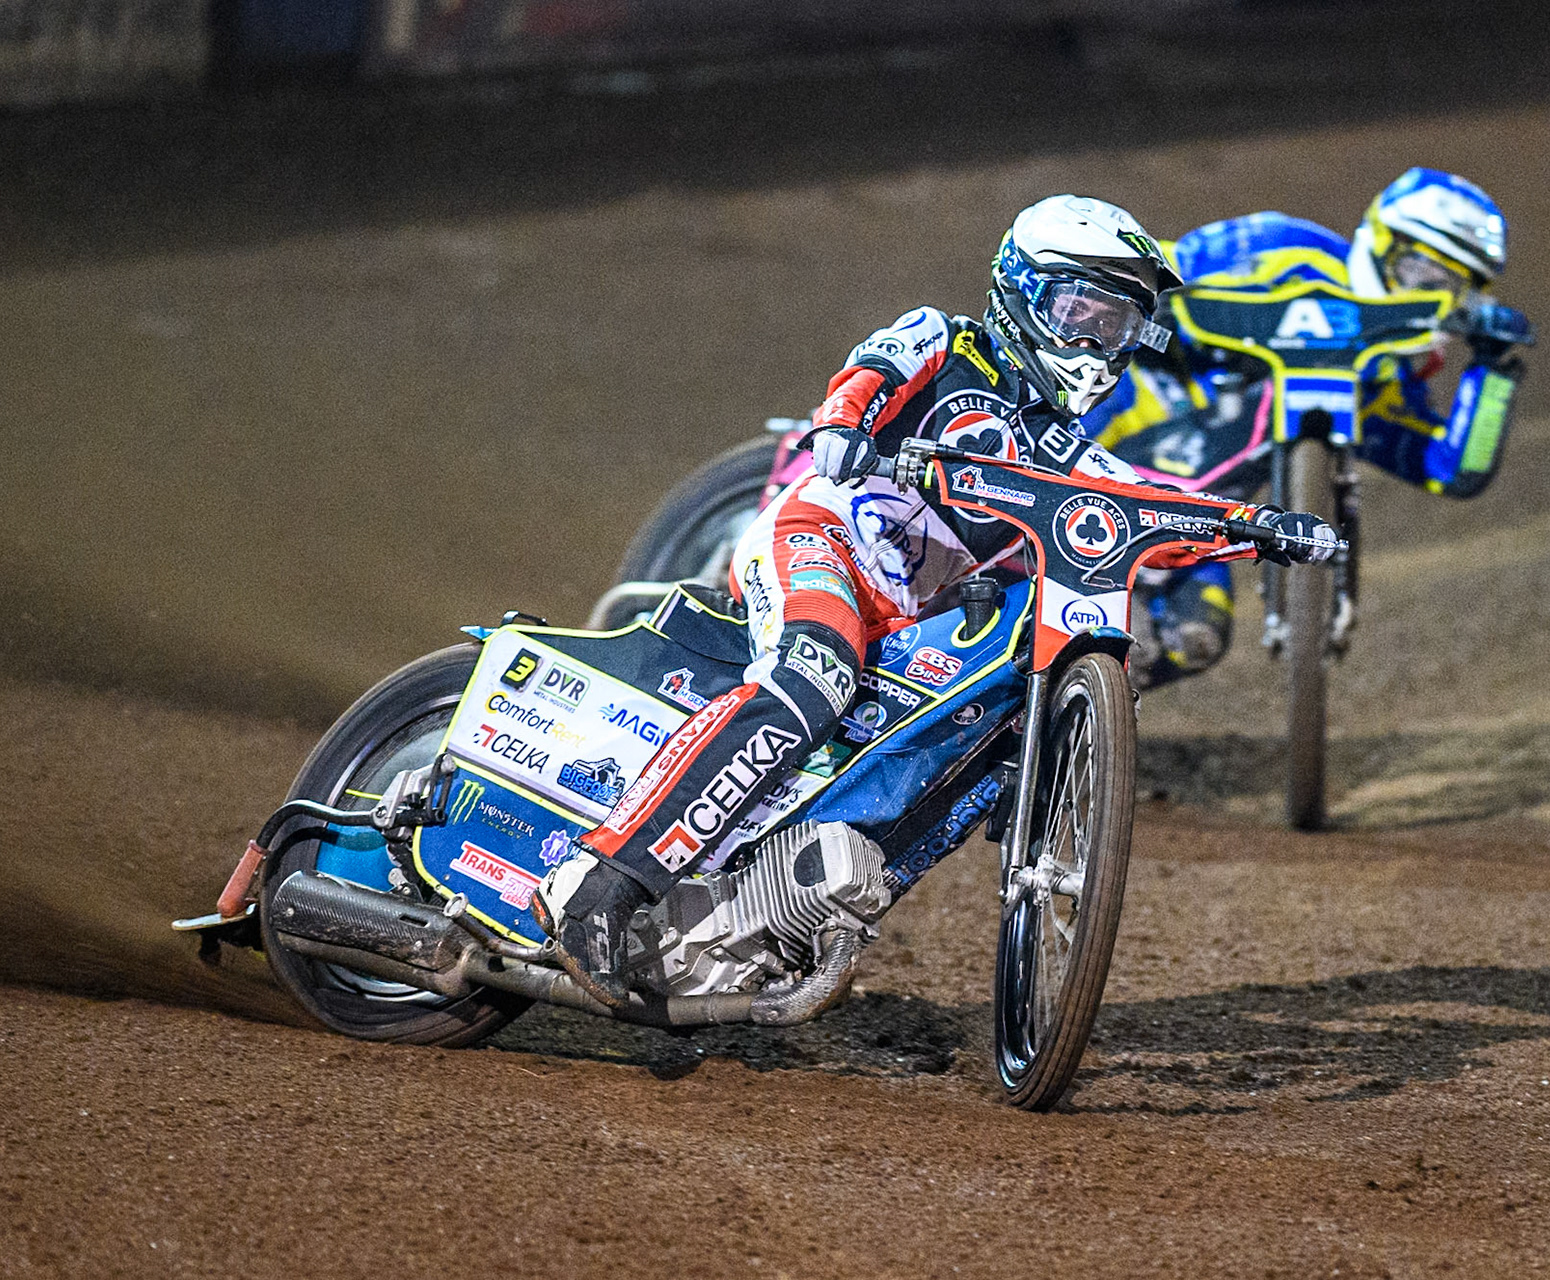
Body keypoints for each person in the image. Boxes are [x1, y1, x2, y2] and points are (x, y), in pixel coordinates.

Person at [533, 195, 1336, 1007]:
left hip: (905, 617)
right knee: (814, 672)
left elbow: (1155, 508)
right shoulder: (943, 340)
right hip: (822, 542)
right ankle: (601, 883)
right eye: (1079, 312)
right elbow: (869, 375)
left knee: (986, 733)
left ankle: (783, 911)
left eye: (1118, 326)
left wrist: (1263, 527)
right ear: (1023, 291)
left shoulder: (1074, 455)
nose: (1096, 344)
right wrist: (844, 425)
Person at [1079, 168, 1535, 688]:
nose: (1428, 294)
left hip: (1185, 529)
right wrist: (1152, 293)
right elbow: (1154, 263)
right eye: (1420, 271)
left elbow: (1452, 468)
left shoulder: (1383, 370)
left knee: (1197, 638)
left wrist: (1492, 370)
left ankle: (1066, 739)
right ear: (1382, 243)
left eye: (1451, 288)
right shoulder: (1282, 242)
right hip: (1096, 441)